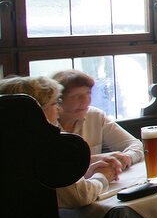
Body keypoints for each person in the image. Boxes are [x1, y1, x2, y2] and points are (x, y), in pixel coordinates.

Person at [0, 75, 121, 208]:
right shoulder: (44, 147)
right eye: (55, 103)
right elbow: (80, 195)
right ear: (38, 111)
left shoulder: (11, 144)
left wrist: (87, 170)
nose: (59, 109)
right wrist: (102, 176)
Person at [52, 70, 142, 171]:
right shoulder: (46, 123)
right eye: (76, 96)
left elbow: (136, 145)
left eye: (88, 93)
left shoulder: (95, 116)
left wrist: (127, 157)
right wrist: (96, 159)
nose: (85, 100)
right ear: (58, 100)